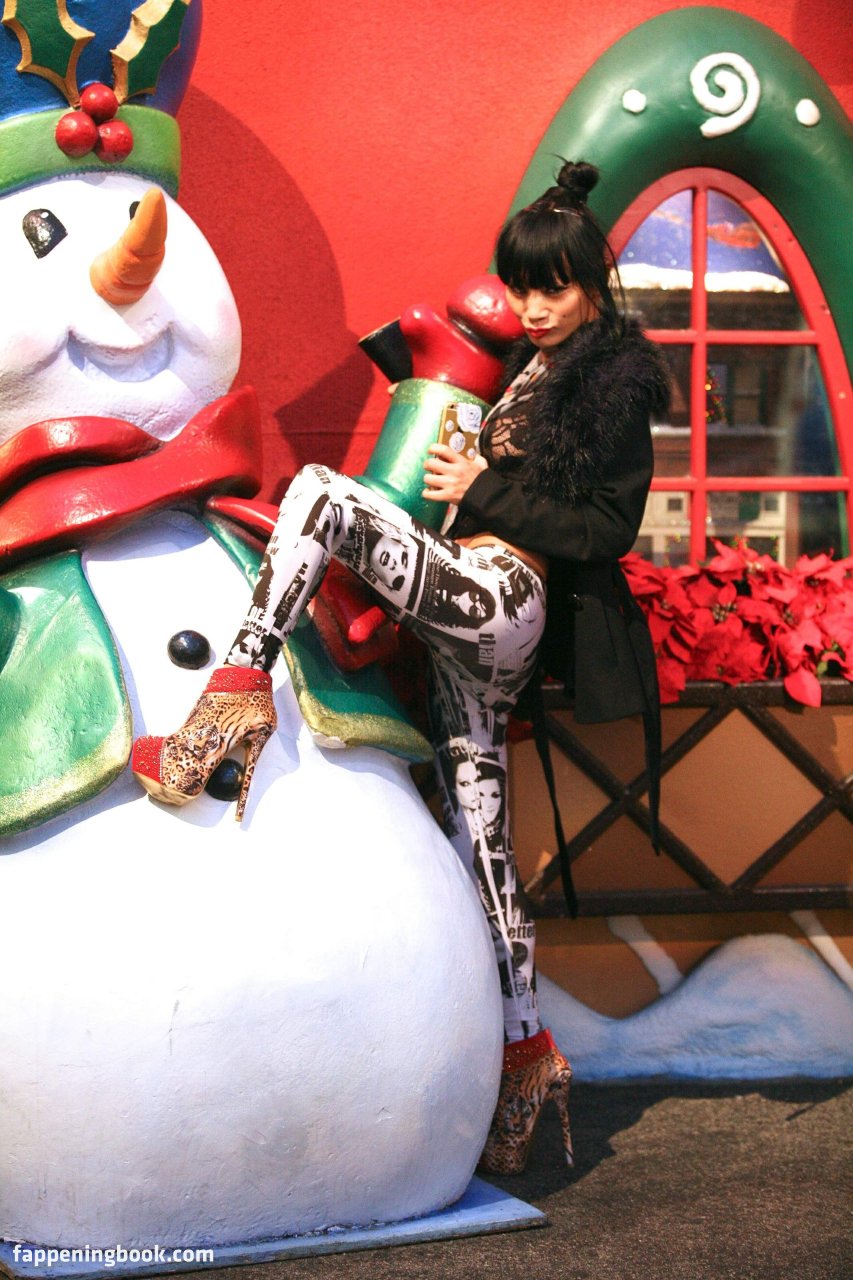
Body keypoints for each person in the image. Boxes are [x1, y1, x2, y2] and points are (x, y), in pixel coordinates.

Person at [132, 159, 670, 1175]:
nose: (535, 306)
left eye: (554, 287)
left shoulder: (611, 385)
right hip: (469, 624)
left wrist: (481, 484)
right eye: (522, 285)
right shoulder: (535, 367)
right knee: (483, 845)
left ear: (594, 285)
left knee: (320, 495)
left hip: (503, 598)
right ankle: (525, 1064)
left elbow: (606, 530)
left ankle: (227, 708)